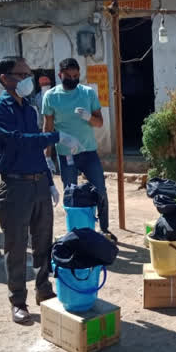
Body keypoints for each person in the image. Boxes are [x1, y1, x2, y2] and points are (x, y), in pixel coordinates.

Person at [0, 56, 83, 324]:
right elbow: (17, 141)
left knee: (43, 242)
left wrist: (50, 181)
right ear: (5, 78)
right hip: (15, 185)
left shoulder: (30, 111)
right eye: (22, 74)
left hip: (39, 182)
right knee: (16, 246)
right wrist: (55, 136)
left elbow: (37, 150)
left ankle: (43, 289)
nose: (28, 79)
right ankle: (18, 301)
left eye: (29, 74)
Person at [42, 58, 116, 242]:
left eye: (76, 76)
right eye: (68, 76)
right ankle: (74, 230)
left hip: (88, 151)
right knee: (70, 192)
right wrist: (47, 155)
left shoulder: (88, 93)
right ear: (60, 75)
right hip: (65, 153)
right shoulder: (51, 96)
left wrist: (88, 116)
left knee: (100, 189)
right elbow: (48, 127)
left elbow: (99, 123)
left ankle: (104, 228)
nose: (73, 79)